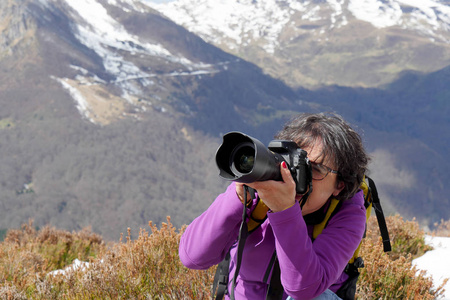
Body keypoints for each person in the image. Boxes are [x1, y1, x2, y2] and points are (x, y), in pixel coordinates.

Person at [179, 113, 369, 300]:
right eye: (294, 162)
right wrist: (237, 198)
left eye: (315, 169)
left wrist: (285, 211)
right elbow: (193, 257)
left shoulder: (348, 213)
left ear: (340, 185)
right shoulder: (259, 190)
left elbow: (304, 290)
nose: (298, 176)